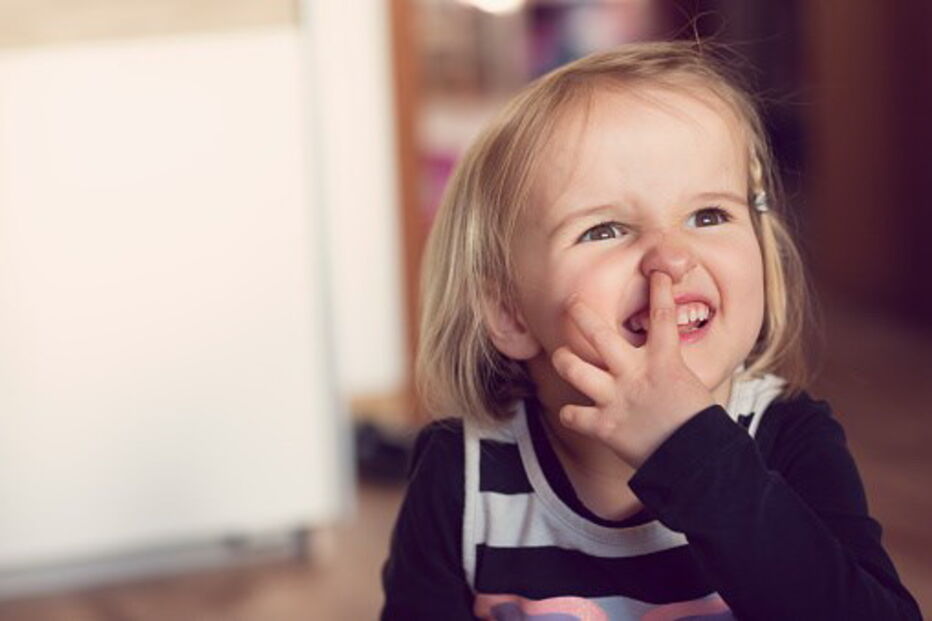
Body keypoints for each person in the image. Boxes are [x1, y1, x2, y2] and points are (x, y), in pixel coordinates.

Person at [380, 41, 922, 620]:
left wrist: (691, 449)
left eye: (708, 216)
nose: (671, 257)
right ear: (511, 312)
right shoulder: (462, 473)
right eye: (606, 229)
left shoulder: (787, 441)